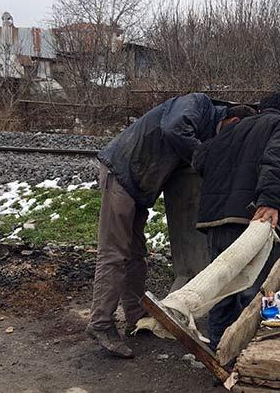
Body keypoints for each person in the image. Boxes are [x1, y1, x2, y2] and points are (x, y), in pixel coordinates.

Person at [87, 93, 256, 358]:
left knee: (135, 255)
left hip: (139, 183)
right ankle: (101, 324)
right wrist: (204, 157)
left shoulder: (207, 124)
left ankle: (135, 314)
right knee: (114, 253)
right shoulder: (198, 104)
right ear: (232, 120)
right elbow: (173, 128)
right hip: (123, 172)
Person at [192, 92, 280, 349]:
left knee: (221, 292)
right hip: (249, 222)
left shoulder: (232, 128)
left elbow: (199, 159)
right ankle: (246, 358)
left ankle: (218, 355)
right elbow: (278, 159)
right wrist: (270, 200)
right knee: (251, 295)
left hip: (214, 223)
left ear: (259, 110)